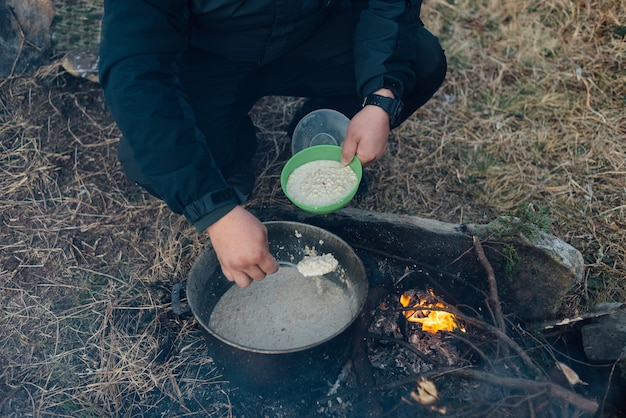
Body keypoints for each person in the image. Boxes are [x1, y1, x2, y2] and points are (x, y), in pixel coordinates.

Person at [98, 0, 447, 289]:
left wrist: (380, 96)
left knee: (421, 59)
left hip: (312, 29)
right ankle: (231, 149)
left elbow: (388, 6)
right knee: (147, 160)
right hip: (209, 47)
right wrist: (213, 211)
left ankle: (324, 127)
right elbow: (136, 71)